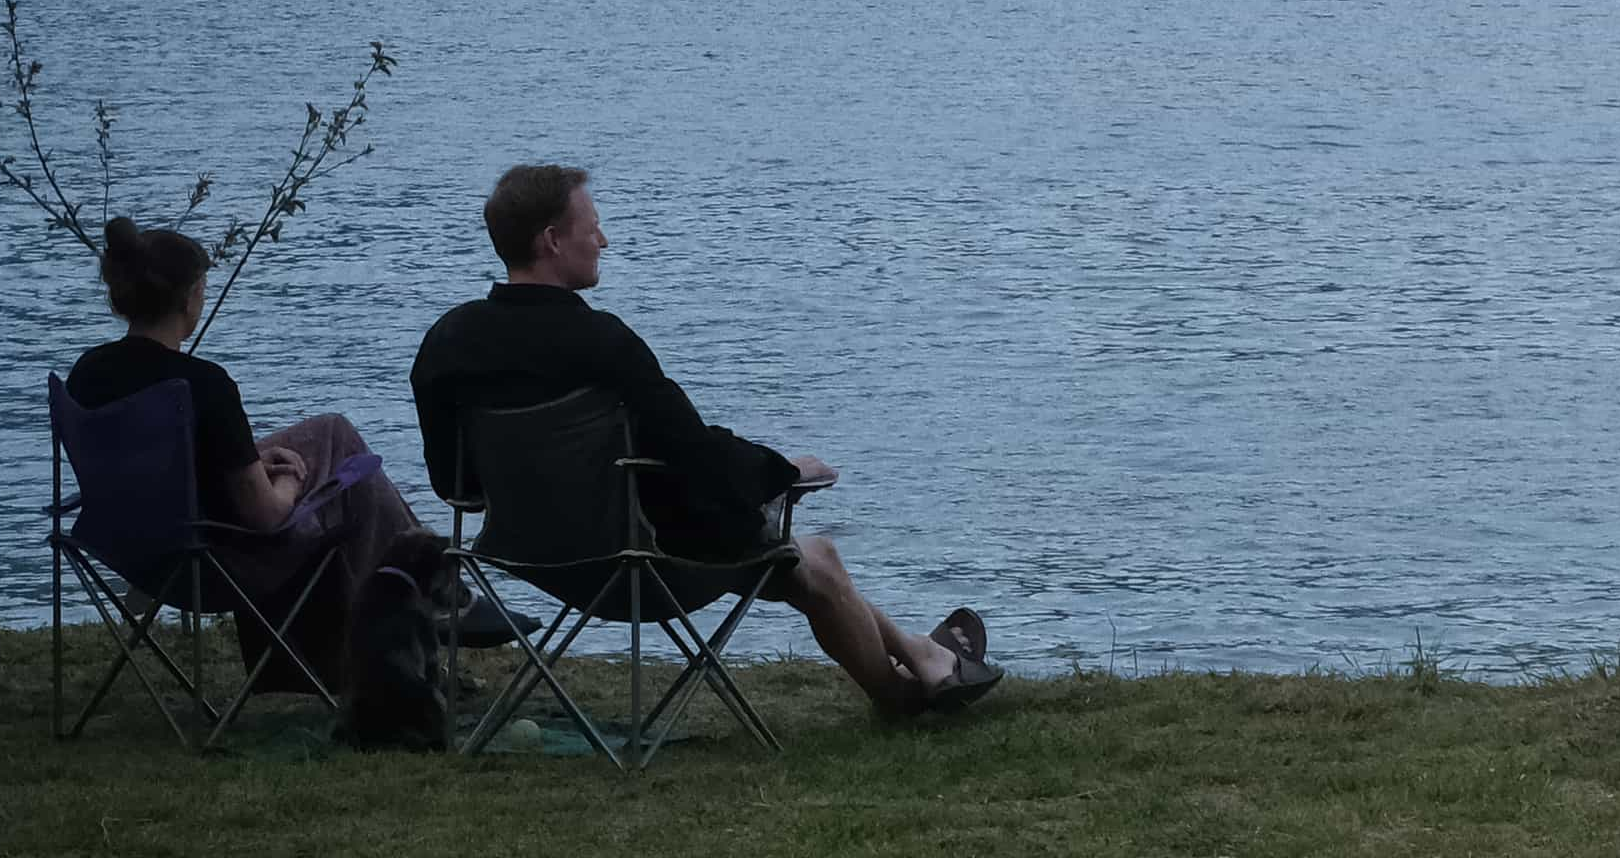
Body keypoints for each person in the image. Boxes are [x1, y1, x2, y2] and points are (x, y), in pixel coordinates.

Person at [408, 160, 997, 719]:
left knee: (797, 551)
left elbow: (454, 487)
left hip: (530, 559)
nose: (604, 241)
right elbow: (691, 450)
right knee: (806, 554)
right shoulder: (600, 342)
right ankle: (904, 695)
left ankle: (926, 657)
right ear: (552, 241)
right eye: (593, 228)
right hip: (637, 566)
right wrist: (781, 472)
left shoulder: (445, 345)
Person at [65, 216, 461, 743]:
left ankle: (429, 600)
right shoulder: (203, 386)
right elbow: (267, 516)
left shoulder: (86, 375)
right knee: (354, 480)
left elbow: (155, 460)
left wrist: (248, 458)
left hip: (133, 545)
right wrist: (291, 484)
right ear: (190, 299)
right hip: (218, 554)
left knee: (331, 433)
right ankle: (431, 607)